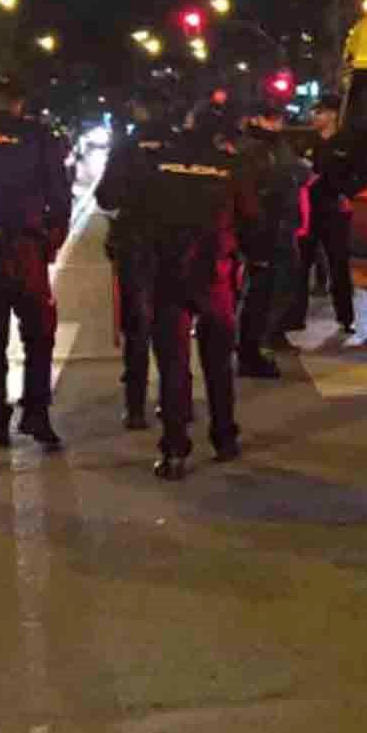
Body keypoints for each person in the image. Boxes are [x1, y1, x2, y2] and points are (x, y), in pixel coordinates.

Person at [122, 100, 260, 479]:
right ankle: (224, 437)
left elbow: (132, 210)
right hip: (214, 274)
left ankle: (174, 449)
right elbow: (251, 218)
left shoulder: (158, 163)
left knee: (172, 365)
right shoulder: (231, 167)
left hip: (166, 274)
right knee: (218, 363)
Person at [0, 71, 72, 452]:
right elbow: (60, 197)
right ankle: (36, 413)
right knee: (39, 334)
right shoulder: (38, 137)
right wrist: (50, 242)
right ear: (19, 103)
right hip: (25, 250)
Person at [95, 93, 171, 429]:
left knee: (136, 326)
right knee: (171, 327)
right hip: (174, 244)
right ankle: (173, 401)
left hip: (134, 243)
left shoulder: (126, 147)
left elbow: (105, 194)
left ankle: (136, 406)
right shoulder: (180, 146)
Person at [233, 103, 310, 377]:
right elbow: (254, 189)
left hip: (281, 228)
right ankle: (250, 351)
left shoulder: (277, 145)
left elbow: (296, 173)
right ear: (255, 119)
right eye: (270, 118)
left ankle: (260, 341)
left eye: (279, 118)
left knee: (277, 289)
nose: (277, 123)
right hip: (261, 232)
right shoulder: (250, 148)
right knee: (258, 293)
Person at [287, 94, 367, 337]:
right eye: (314, 112)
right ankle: (295, 317)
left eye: (320, 112)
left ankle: (345, 318)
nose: (315, 116)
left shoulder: (348, 143)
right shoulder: (306, 142)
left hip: (334, 211)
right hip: (308, 211)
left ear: (333, 114)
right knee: (301, 265)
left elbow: (365, 175)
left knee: (338, 265)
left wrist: (347, 194)